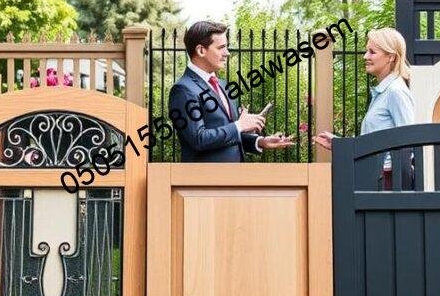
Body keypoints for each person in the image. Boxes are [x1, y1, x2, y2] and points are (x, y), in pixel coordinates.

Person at [169, 21, 296, 162]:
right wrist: (239, 125)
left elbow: (232, 134)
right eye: (221, 47)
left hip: (235, 178)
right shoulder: (183, 89)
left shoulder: (223, 86)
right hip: (205, 180)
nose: (227, 53)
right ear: (201, 50)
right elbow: (198, 139)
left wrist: (260, 142)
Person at [313, 27, 415, 185]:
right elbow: (372, 142)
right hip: (375, 177)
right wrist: (339, 144)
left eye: (372, 52)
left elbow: (409, 142)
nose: (365, 56)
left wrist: (390, 178)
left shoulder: (396, 92)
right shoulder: (383, 93)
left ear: (391, 57)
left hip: (387, 183)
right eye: (367, 51)